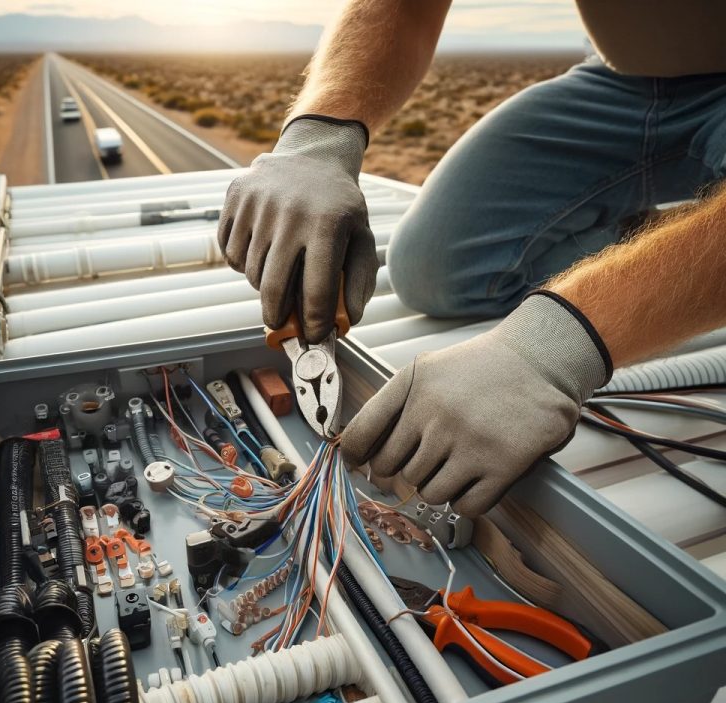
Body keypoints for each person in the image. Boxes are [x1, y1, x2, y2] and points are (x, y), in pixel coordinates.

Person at [218, 0, 726, 517]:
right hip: (625, 77)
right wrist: (319, 135)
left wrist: (554, 346)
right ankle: (670, 236)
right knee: (430, 268)